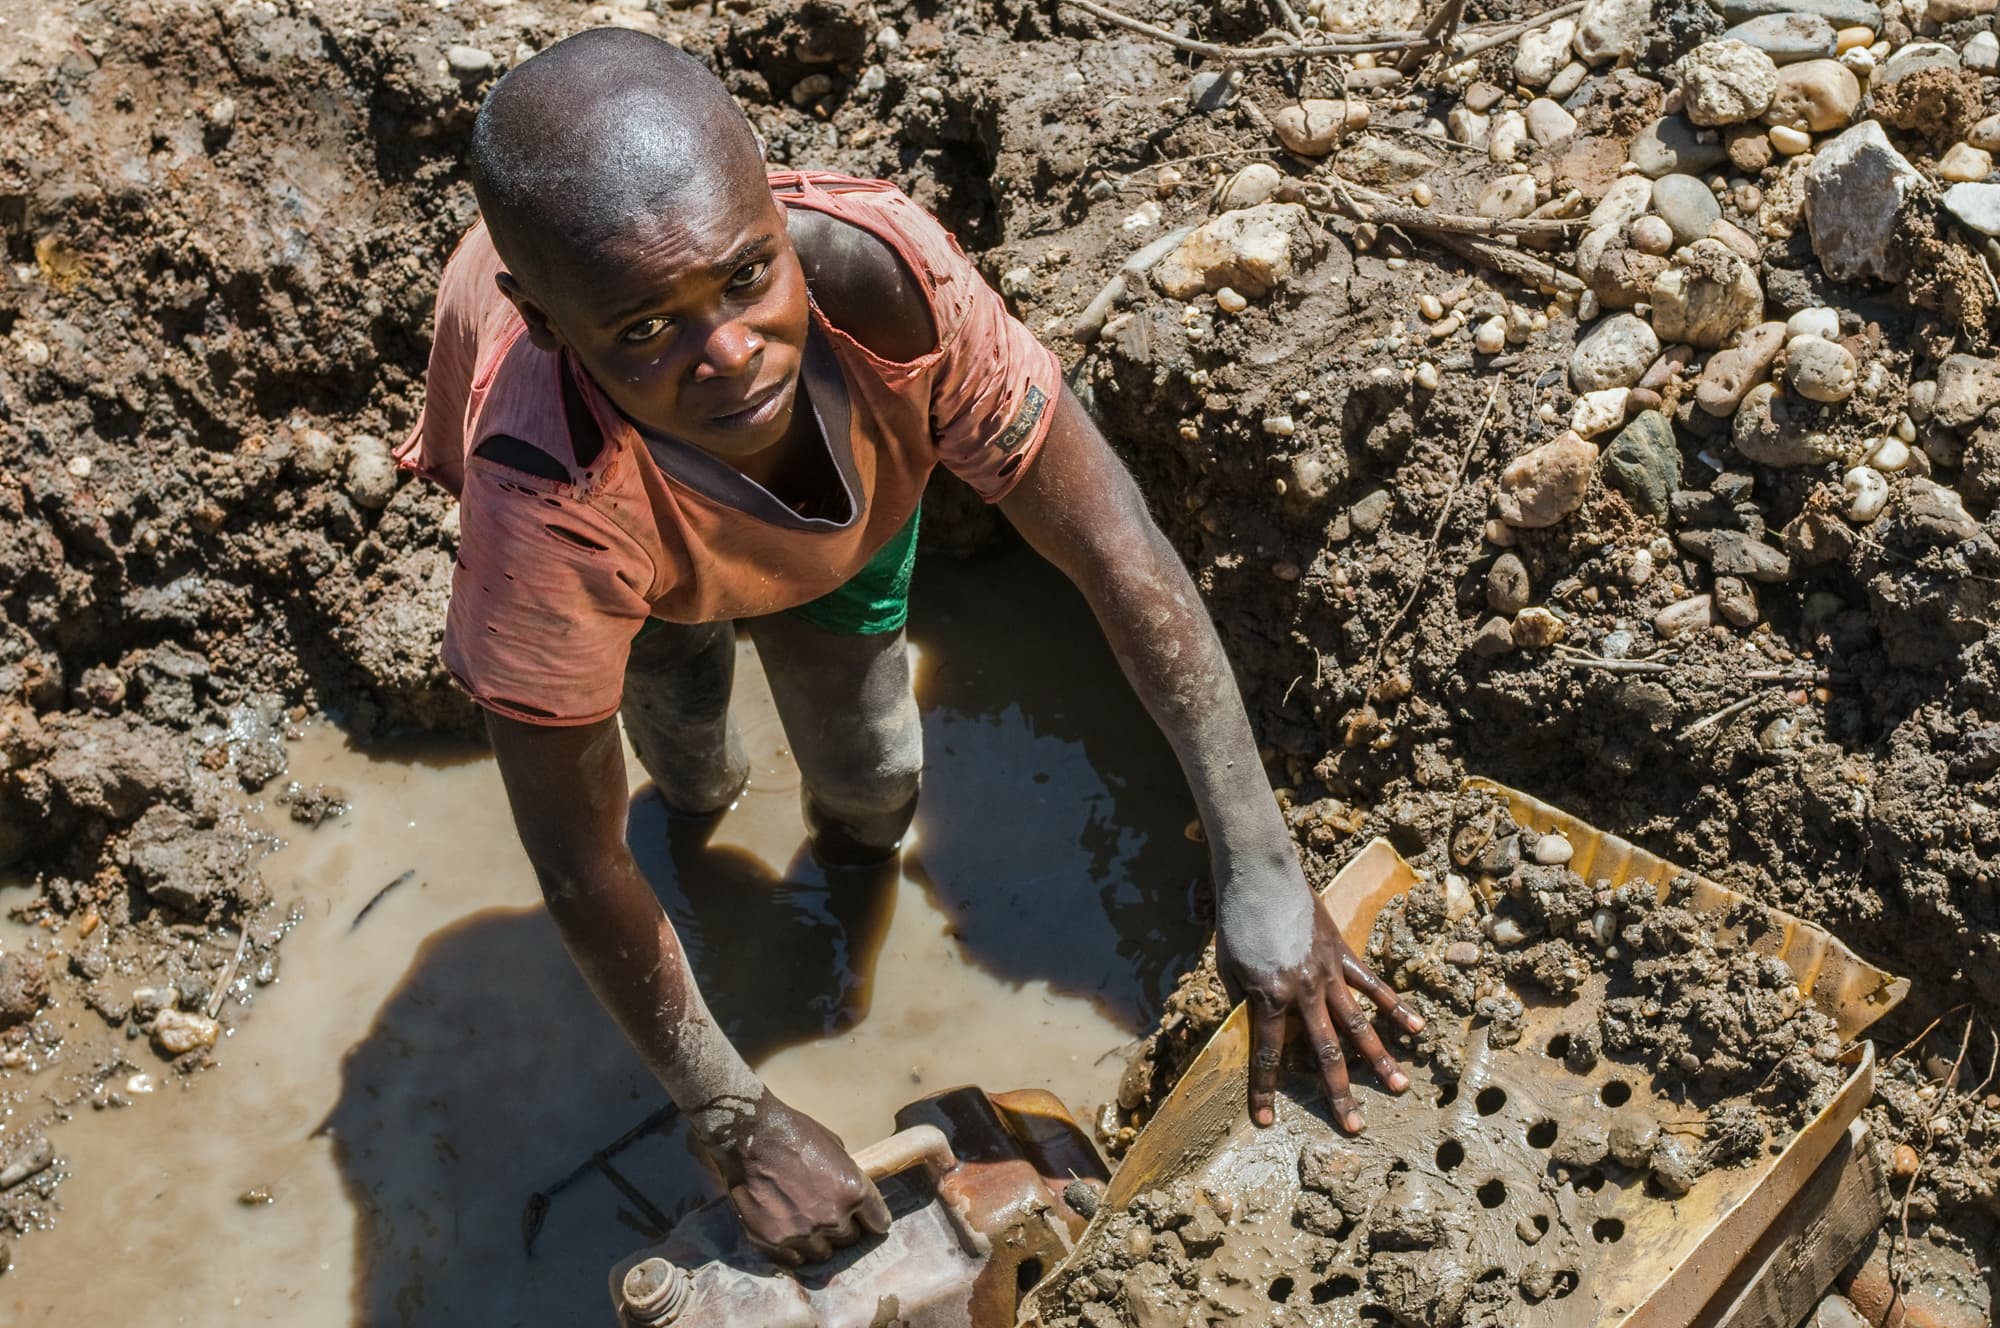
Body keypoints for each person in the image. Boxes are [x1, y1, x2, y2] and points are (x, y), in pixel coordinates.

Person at [398, 25, 1423, 1268]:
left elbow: (1115, 549)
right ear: (552, 327)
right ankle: (707, 808)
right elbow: (572, 855)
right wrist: (731, 1116)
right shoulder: (542, 504)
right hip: (635, 570)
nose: (729, 359)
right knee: (688, 762)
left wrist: (1260, 864)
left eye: (741, 279)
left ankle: (844, 876)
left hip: (849, 518)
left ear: (773, 205)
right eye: (646, 332)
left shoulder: (890, 285)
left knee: (875, 774)